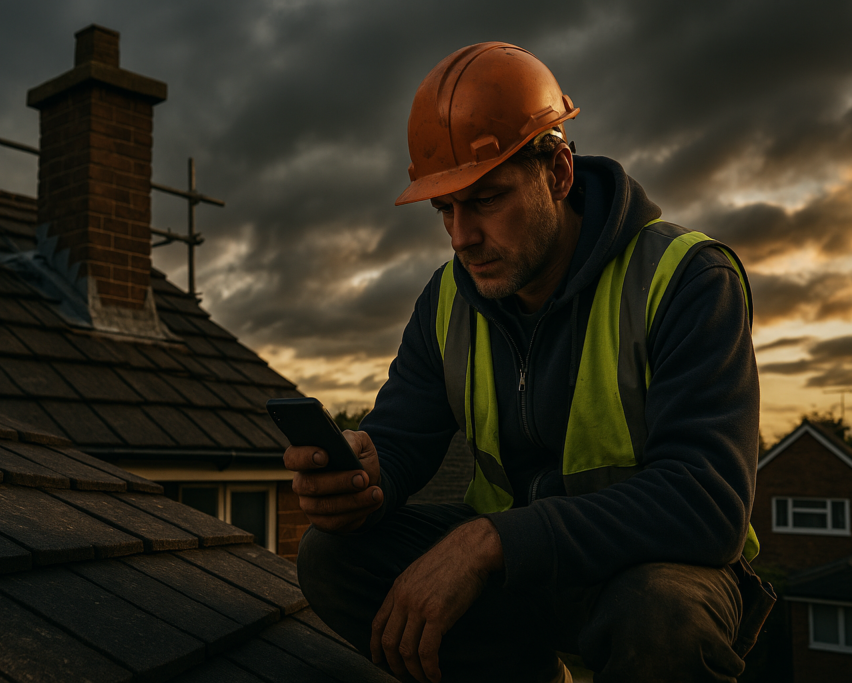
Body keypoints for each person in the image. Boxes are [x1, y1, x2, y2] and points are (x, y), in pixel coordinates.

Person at [286, 42, 771, 683]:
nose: (462, 237)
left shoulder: (687, 279)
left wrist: (492, 541)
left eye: (485, 200)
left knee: (662, 615)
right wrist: (359, 483)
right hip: (514, 579)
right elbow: (400, 440)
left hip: (641, 571)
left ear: (559, 173)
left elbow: (706, 503)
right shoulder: (449, 297)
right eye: (444, 209)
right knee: (330, 555)